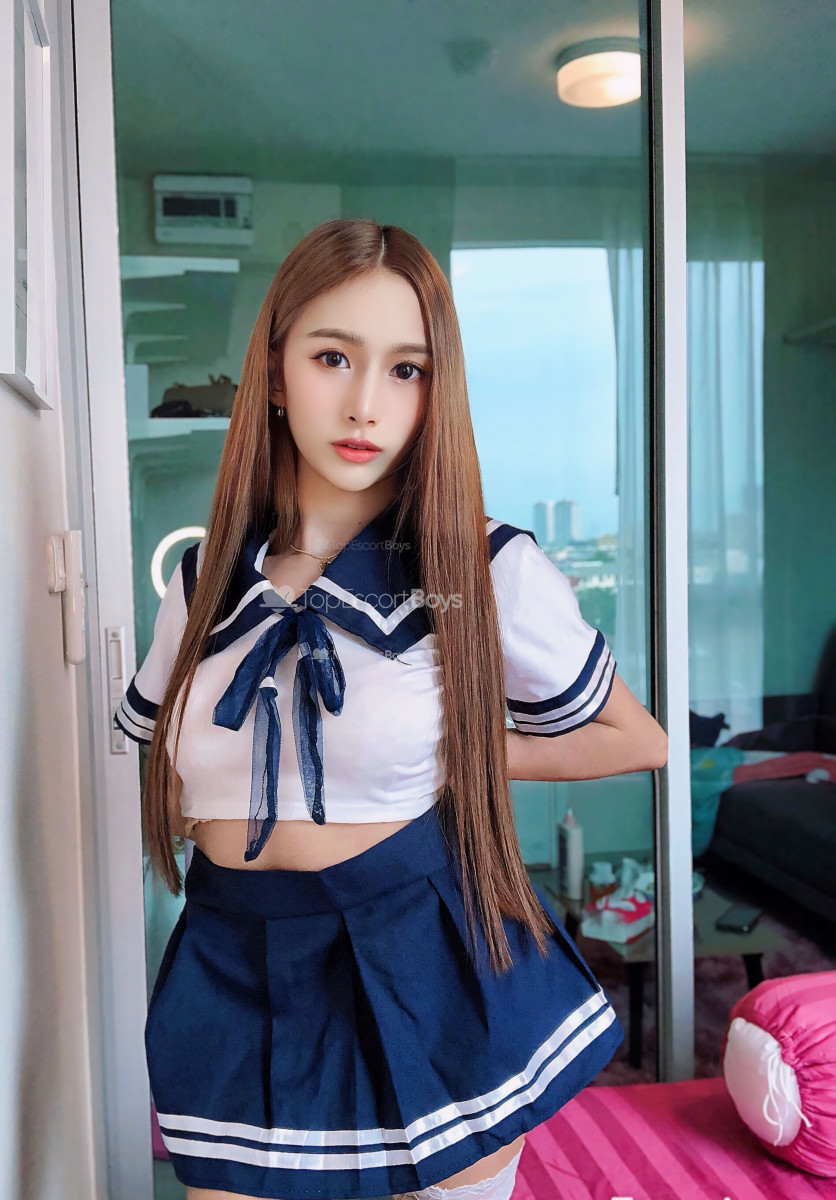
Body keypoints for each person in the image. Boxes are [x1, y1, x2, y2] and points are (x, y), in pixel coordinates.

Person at [114, 218, 668, 1200]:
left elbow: (636, 737)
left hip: (417, 958)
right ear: (275, 372)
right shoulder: (204, 580)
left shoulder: (475, 570)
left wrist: (468, 757)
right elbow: (156, 752)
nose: (366, 404)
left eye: (406, 370)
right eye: (333, 357)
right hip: (233, 959)